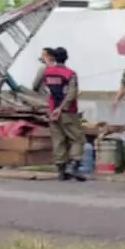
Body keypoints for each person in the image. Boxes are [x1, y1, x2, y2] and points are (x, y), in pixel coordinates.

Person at [35, 47, 86, 182]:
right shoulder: (69, 74)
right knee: (76, 138)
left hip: (51, 111)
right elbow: (72, 94)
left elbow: (36, 87)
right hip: (68, 112)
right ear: (66, 58)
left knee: (58, 140)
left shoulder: (46, 72)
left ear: (54, 58)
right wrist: (61, 108)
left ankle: (61, 171)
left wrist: (50, 102)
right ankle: (74, 165)